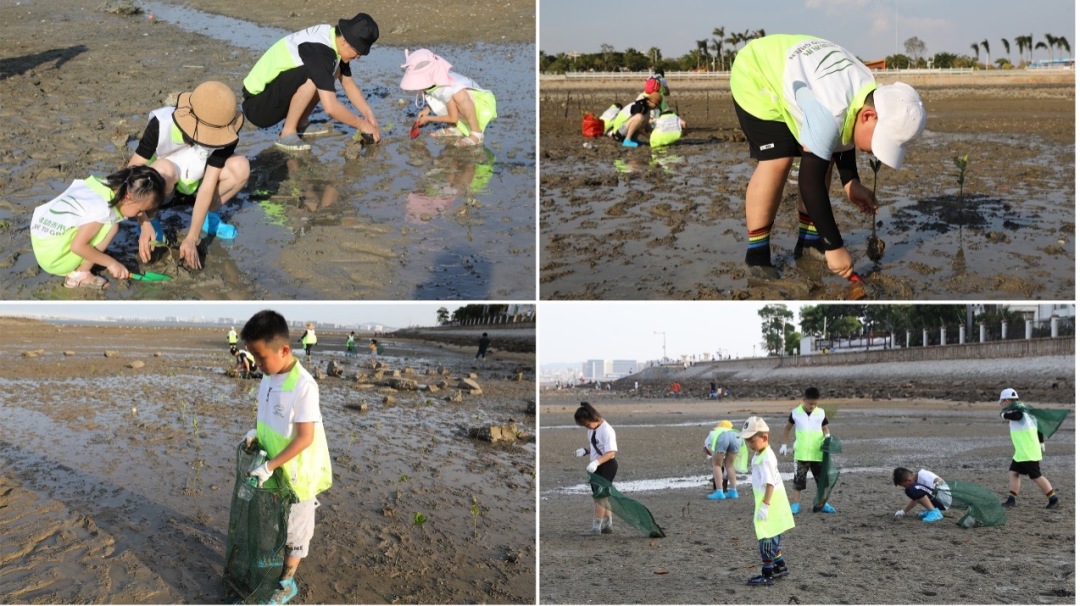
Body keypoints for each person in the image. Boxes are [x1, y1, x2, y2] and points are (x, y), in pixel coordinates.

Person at [729, 34, 926, 280]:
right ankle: (756, 255)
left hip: (799, 75)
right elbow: (809, 182)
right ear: (868, 116)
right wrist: (834, 245)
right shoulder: (831, 111)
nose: (876, 152)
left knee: (823, 154)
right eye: (879, 144)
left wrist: (850, 181)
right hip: (757, 71)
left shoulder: (866, 89)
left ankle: (810, 242)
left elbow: (843, 133)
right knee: (778, 160)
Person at [239, 310, 332, 605]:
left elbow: (306, 437)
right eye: (254, 357)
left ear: (284, 350)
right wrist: (255, 431)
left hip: (297, 475)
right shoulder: (268, 377)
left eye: (261, 357)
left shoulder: (304, 386)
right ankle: (276, 566)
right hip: (273, 468)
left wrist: (269, 466)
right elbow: (269, 417)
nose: (257, 364)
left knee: (296, 530)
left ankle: (286, 583)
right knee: (275, 521)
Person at [128, 81, 249, 270]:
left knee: (240, 167)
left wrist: (192, 237)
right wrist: (143, 222)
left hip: (198, 187)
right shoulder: (161, 124)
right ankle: (153, 220)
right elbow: (131, 175)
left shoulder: (226, 130)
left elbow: (209, 183)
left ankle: (208, 216)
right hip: (162, 190)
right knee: (163, 169)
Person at [242, 12, 381, 152]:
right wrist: (361, 125)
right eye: (358, 52)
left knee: (334, 70)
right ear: (345, 42)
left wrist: (368, 115)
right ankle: (287, 132)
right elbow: (330, 108)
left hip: (270, 97)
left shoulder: (332, 38)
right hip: (257, 106)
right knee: (314, 76)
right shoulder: (320, 52)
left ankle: (301, 123)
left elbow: (349, 84)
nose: (358, 57)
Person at [30, 166, 165, 290]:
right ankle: (80, 274)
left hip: (41, 240)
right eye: (140, 210)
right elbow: (77, 247)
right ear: (127, 197)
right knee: (111, 227)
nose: (140, 214)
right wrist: (111, 263)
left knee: (106, 223)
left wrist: (144, 221)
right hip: (53, 258)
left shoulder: (100, 184)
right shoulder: (102, 210)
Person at [400, 48, 497, 147]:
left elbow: (453, 117)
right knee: (446, 99)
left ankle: (477, 133)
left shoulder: (448, 87)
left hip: (478, 105)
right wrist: (427, 109)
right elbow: (436, 96)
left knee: (458, 95)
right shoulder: (433, 82)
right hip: (455, 102)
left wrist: (428, 118)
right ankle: (455, 129)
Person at [739, 416, 795, 586]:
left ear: (764, 438)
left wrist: (765, 505)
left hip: (771, 502)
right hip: (773, 502)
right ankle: (780, 566)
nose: (749, 445)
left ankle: (768, 573)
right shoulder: (761, 453)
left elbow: (770, 483)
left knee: (765, 537)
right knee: (773, 534)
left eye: (752, 440)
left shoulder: (766, 458)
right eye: (747, 441)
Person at [777, 387, 836, 514]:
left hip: (818, 453)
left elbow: (825, 428)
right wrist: (784, 444)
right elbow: (787, 428)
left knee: (822, 482)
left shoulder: (820, 413)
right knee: (798, 481)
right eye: (810, 404)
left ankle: (823, 504)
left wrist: (827, 437)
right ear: (804, 400)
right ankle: (795, 504)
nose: (813, 406)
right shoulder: (795, 413)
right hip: (801, 454)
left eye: (815, 404)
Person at [999, 388, 1059, 508]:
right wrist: (1041, 442)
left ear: (1006, 400)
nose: (1001, 404)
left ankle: (1053, 499)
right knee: (1013, 472)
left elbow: (1017, 416)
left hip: (1028, 451)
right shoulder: (1026, 408)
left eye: (1002, 401)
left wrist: (1003, 414)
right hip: (1022, 451)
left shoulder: (1018, 410)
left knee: (1036, 476)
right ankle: (1011, 500)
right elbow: (1038, 427)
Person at [573, 401, 618, 535]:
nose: (586, 427)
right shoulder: (592, 430)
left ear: (592, 418)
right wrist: (585, 451)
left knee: (600, 496)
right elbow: (596, 447)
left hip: (607, 465)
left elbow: (611, 452)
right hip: (597, 466)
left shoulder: (607, 430)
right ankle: (608, 525)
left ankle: (596, 528)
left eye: (586, 424)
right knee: (603, 496)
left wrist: (596, 463)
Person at [704, 420, 742, 500]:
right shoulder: (733, 432)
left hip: (722, 438)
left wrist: (713, 455)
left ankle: (719, 492)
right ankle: (733, 491)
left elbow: (708, 446)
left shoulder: (715, 432)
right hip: (737, 437)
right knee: (730, 465)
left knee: (717, 465)